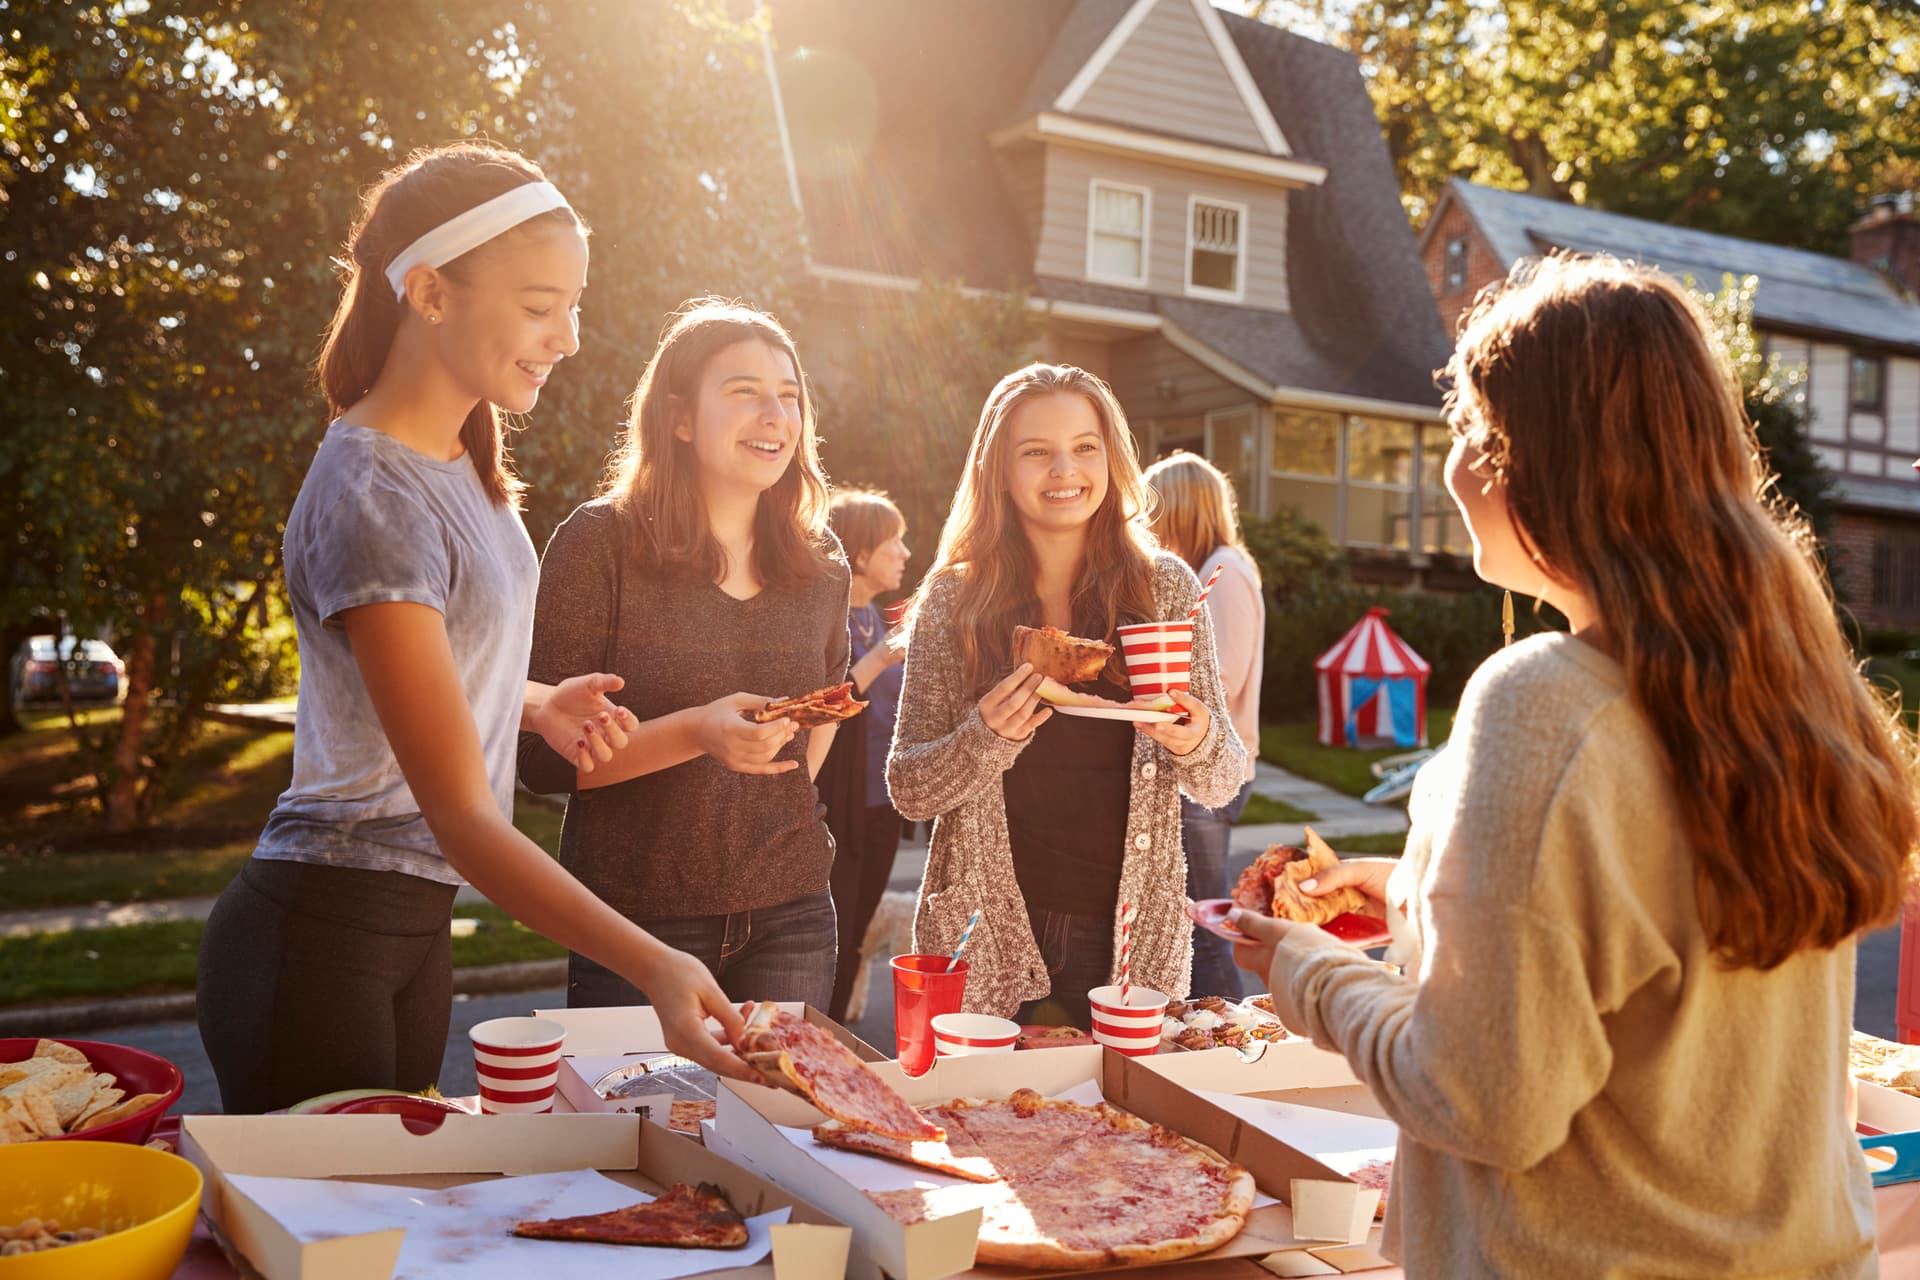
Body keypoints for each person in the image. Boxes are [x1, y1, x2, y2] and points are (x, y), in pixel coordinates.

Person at [1230, 254, 1917, 1277]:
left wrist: (1309, 971)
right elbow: (1656, 931)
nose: (1453, 463)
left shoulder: (1544, 701)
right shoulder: (1783, 677)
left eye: (1468, 428)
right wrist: (1419, 892)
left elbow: (1482, 1096)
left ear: (1530, 458)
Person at [197, 143, 753, 1115]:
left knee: (398, 1241)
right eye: (541, 306)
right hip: (322, 932)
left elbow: (419, 663)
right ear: (429, 292)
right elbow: (463, 817)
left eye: (574, 305)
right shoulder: (372, 489)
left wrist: (530, 703)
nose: (569, 338)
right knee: (329, 1259)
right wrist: (656, 963)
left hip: (408, 931)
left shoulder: (461, 457)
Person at [887, 363, 1247, 1027]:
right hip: (983, 926)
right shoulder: (955, 600)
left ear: (1111, 459)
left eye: (1085, 448)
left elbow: (1225, 778)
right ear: (998, 468)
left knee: (1126, 1128)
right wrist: (983, 739)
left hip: (1129, 938)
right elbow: (908, 788)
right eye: (1035, 452)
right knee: (986, 1125)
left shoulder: (1163, 588)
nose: (1065, 470)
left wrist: (1196, 738)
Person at [517, 299, 849, 1012]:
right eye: (745, 393)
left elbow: (822, 714)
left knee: (781, 1122)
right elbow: (544, 762)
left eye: (789, 397)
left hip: (793, 909)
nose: (776, 415)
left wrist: (765, 788)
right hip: (634, 919)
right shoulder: (597, 545)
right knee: (638, 1125)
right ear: (679, 419)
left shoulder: (823, 562)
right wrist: (700, 732)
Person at [1143, 451, 1265, 999]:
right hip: (1194, 763)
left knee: (1200, 918)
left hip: (1209, 771)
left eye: (1152, 509)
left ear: (1180, 510)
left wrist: (1148, 681)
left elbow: (1224, 673)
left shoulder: (1224, 571)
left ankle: (1226, 1033)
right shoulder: (1210, 568)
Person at [817, 488, 912, 1021]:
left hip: (883, 805)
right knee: (833, 932)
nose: (903, 552)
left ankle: (829, 1043)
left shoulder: (879, 617)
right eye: (892, 542)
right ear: (858, 554)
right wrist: (879, 658)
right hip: (838, 805)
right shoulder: (824, 617)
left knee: (856, 935)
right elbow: (824, 704)